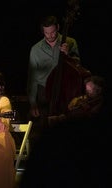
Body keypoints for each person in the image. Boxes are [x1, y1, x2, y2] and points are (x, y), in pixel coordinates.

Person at [26, 15, 81, 144]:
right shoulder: (35, 49)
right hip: (44, 91)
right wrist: (32, 102)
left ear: (58, 28)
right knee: (44, 128)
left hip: (65, 90)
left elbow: (78, 66)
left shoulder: (70, 42)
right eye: (46, 33)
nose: (50, 36)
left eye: (53, 32)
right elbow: (32, 77)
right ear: (42, 31)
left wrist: (68, 55)